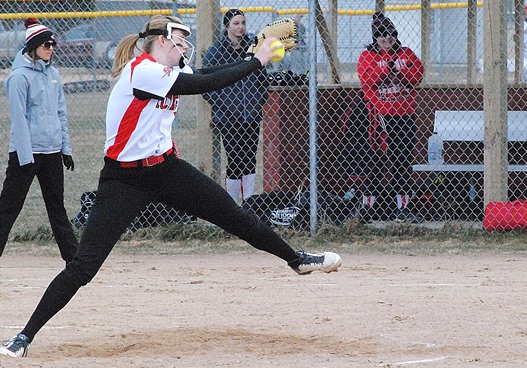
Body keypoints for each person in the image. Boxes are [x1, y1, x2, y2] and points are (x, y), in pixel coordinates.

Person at [0, 15, 342, 358]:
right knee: (83, 267)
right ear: (161, 41)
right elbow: (205, 86)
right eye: (178, 39)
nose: (183, 46)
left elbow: (206, 76)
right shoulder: (143, 71)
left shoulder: (169, 73)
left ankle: (296, 260)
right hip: (124, 180)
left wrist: (252, 58)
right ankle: (24, 337)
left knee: (236, 217)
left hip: (166, 170)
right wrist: (257, 60)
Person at [0, 18, 77, 264]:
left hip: (52, 151)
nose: (51, 48)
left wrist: (66, 148)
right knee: (9, 208)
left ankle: (74, 259)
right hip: (27, 153)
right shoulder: (18, 78)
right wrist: (25, 157)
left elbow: (60, 113)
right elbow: (19, 120)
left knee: (57, 208)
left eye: (53, 44)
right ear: (32, 47)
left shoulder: (53, 74)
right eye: (46, 44)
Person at [357, 12, 425, 223]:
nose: (387, 39)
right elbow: (368, 80)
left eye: (390, 35)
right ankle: (368, 207)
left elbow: (417, 76)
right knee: (374, 161)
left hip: (404, 116)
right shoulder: (367, 56)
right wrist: (388, 67)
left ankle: (402, 209)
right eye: (381, 35)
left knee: (402, 161)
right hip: (377, 117)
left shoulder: (406, 53)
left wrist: (399, 69)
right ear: (375, 38)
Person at [202, 9, 268, 203]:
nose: (241, 27)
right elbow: (205, 84)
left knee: (249, 160)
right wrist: (225, 105)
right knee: (235, 160)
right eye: (236, 23)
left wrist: (258, 102)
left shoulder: (253, 49)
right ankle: (231, 205)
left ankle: (248, 203)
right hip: (229, 118)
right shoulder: (217, 52)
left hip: (251, 115)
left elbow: (262, 81)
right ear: (227, 26)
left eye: (243, 23)